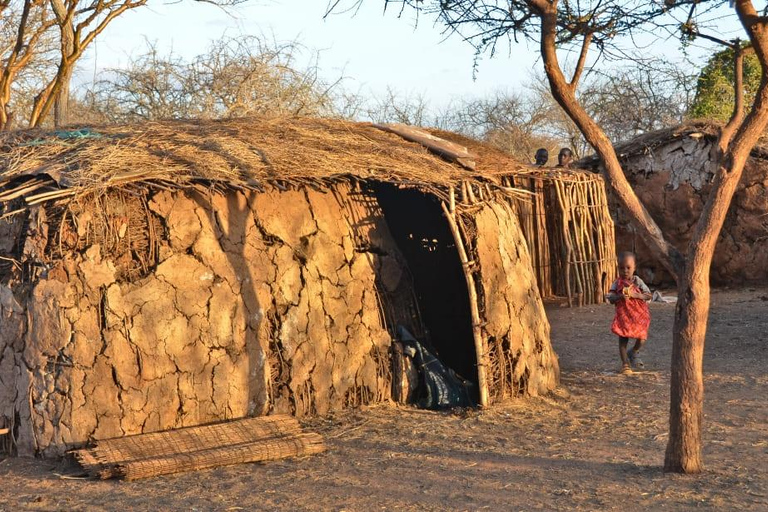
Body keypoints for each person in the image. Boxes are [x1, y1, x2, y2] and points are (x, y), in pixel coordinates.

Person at [606, 252, 652, 374]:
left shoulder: (638, 281)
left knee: (642, 337)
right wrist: (620, 295)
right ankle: (625, 364)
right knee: (623, 338)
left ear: (634, 268)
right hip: (624, 315)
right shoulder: (617, 283)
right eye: (621, 268)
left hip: (639, 315)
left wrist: (636, 295)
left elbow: (648, 295)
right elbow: (610, 298)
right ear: (618, 268)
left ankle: (634, 351)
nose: (625, 271)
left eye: (628, 267)